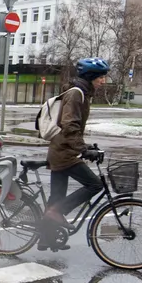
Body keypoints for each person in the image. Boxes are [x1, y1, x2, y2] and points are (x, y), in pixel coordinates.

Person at [39, 58, 108, 251]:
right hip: (64, 153)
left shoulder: (81, 93)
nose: (103, 81)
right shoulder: (76, 94)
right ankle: (57, 213)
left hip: (62, 150)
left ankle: (46, 238)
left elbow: (72, 128)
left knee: (56, 196)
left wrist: (85, 146)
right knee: (95, 185)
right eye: (101, 77)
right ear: (91, 77)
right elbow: (70, 126)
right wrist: (83, 149)